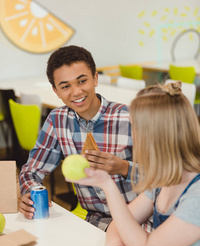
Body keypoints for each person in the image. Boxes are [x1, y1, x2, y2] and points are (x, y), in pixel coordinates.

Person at [65, 81, 200, 246]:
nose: (132, 135)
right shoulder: (164, 178)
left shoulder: (196, 195)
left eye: (134, 127)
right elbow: (119, 224)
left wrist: (107, 185)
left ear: (154, 137)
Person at [19, 45, 138, 231]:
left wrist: (123, 167)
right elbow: (31, 172)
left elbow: (167, 177)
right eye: (65, 86)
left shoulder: (130, 117)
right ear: (56, 91)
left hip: (139, 218)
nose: (75, 92)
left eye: (82, 81)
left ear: (95, 78)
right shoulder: (57, 120)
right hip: (96, 222)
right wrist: (30, 193)